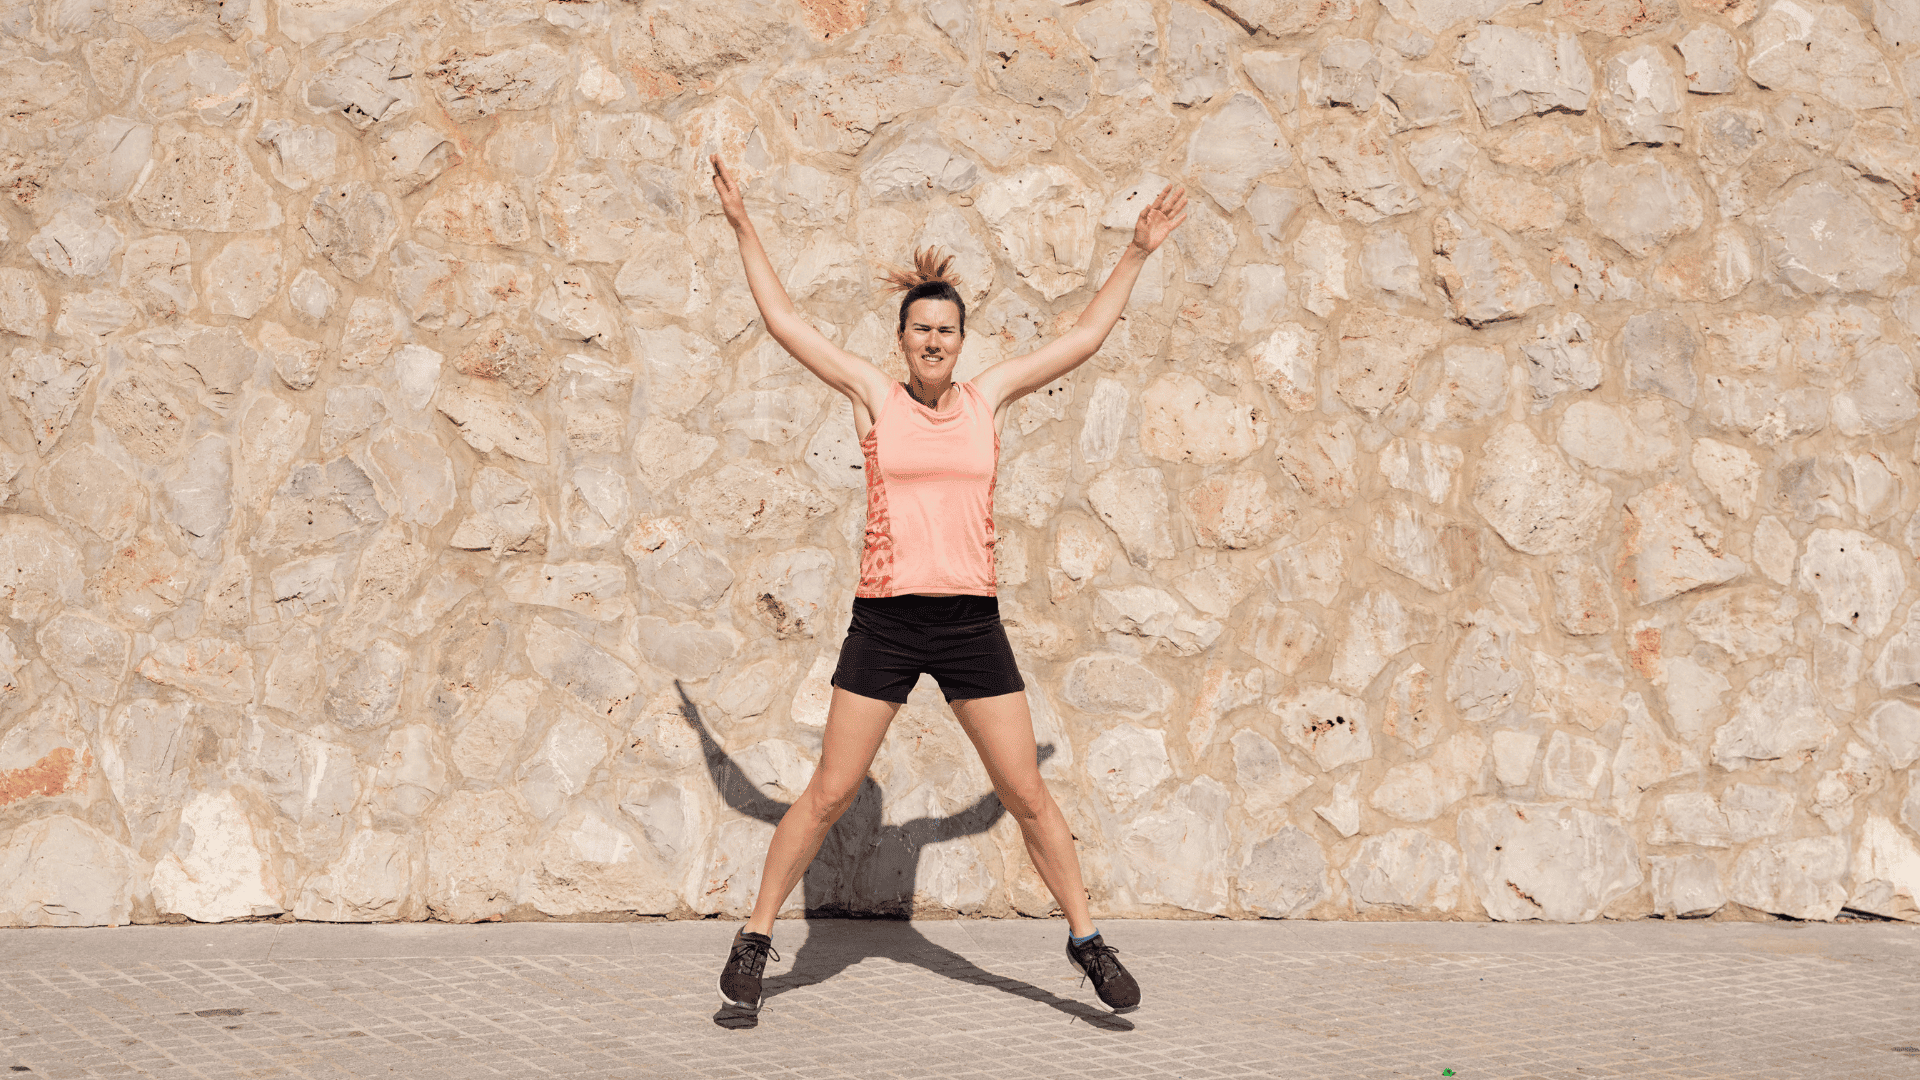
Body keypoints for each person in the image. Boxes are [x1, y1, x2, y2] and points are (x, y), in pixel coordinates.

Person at [706, 153, 1186, 1018]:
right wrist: (744, 224)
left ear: (962, 342)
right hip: (886, 622)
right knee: (829, 792)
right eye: (921, 331)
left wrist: (1138, 251)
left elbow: (1083, 336)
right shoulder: (871, 397)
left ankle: (1087, 943)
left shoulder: (987, 397)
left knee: (1026, 795)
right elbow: (783, 321)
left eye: (947, 332)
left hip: (970, 624)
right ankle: (756, 939)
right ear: (902, 340)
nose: (934, 342)